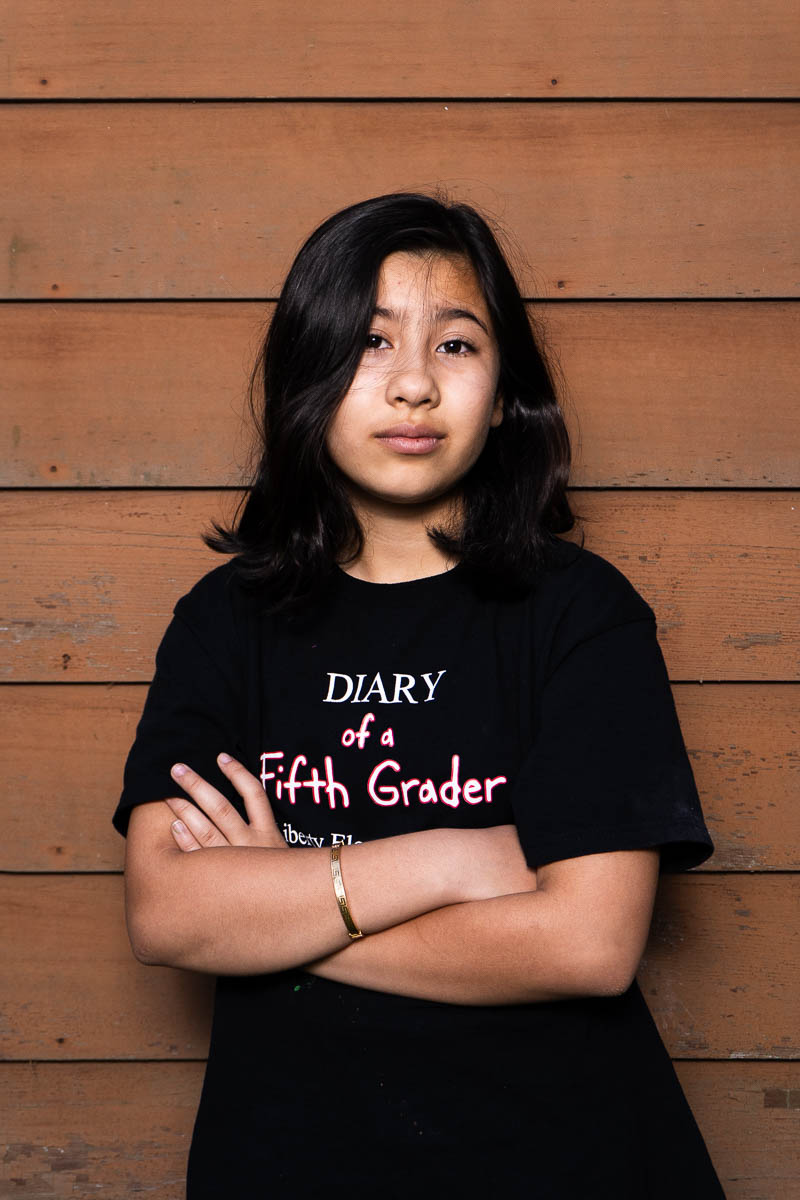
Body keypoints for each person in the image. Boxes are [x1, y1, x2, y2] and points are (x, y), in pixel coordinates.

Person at [114, 193, 725, 1197]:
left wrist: (284, 907)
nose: (411, 386)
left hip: (570, 1159)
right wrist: (459, 856)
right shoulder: (225, 622)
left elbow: (588, 943)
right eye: (367, 342)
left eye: (454, 345)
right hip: (288, 1162)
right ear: (307, 372)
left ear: (504, 390)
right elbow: (170, 914)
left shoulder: (581, 614)